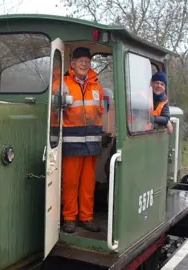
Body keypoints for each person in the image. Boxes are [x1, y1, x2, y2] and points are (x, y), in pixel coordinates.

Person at [61, 47, 104, 233]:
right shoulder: (62, 84)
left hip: (92, 142)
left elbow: (102, 109)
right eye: (81, 61)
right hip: (72, 142)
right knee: (70, 182)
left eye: (87, 61)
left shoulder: (96, 85)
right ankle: (69, 218)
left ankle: (86, 218)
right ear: (73, 63)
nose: (84, 64)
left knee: (88, 183)